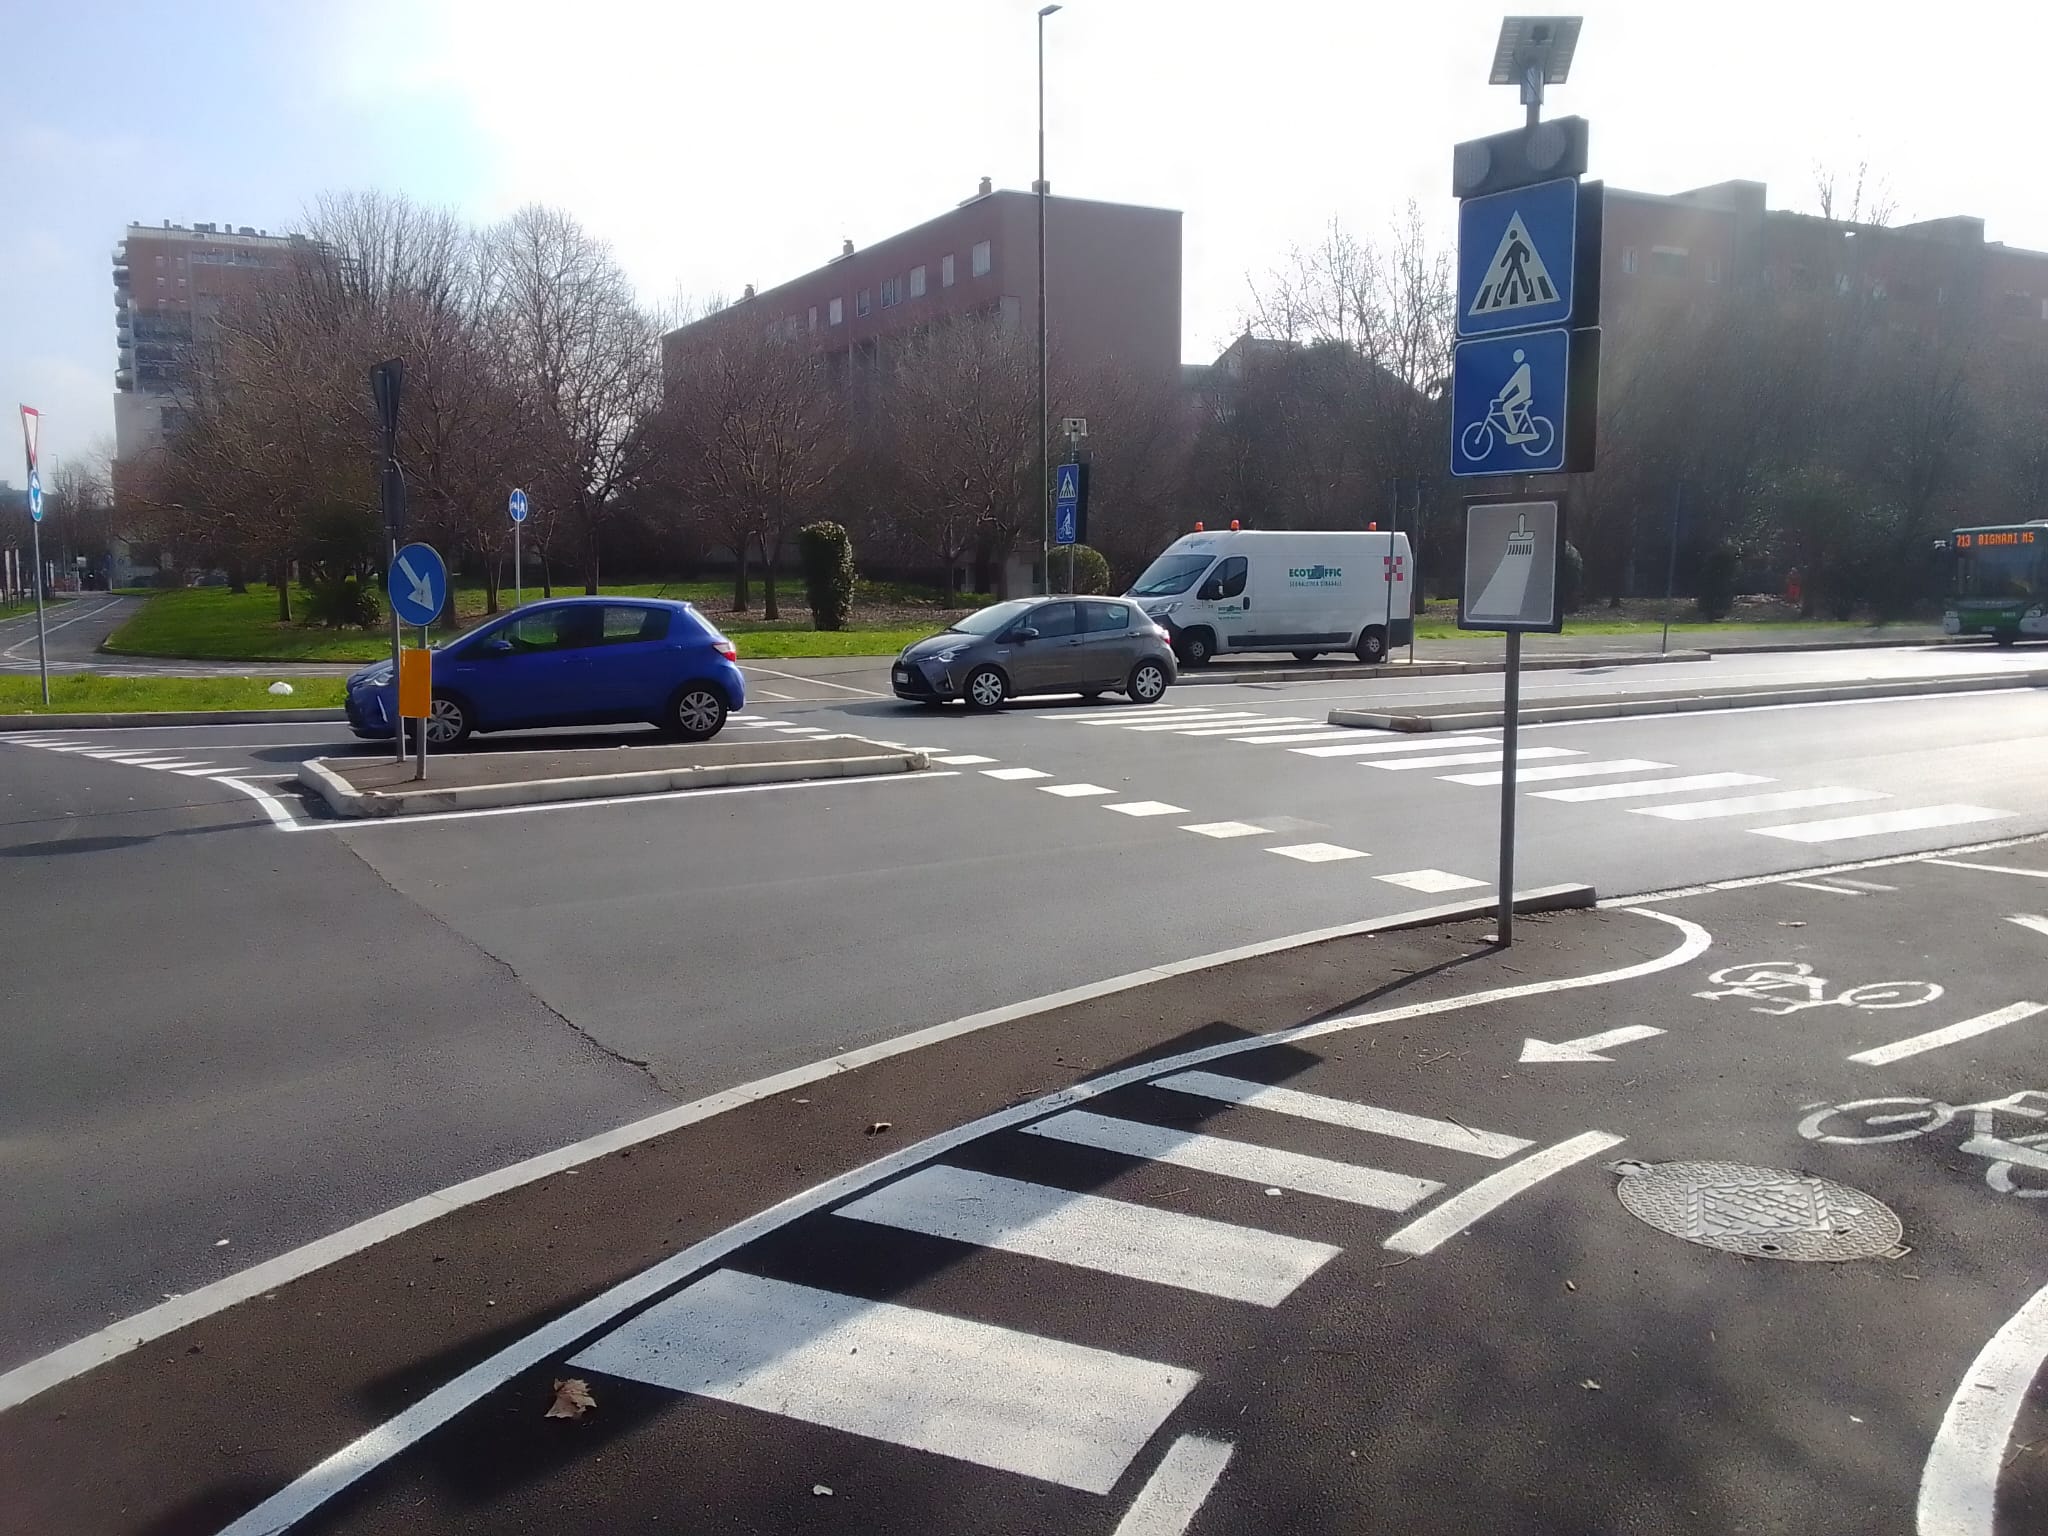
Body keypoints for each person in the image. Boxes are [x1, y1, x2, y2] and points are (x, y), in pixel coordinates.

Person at [1495, 349, 1534, 441]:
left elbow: (1513, 381)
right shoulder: (1522, 367)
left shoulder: (1524, 367)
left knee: (1506, 407)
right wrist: (1503, 394)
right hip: (1522, 393)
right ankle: (1514, 430)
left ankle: (1514, 432)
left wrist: (1503, 393)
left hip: (1524, 394)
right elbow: (1513, 382)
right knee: (1507, 406)